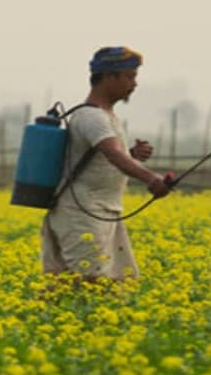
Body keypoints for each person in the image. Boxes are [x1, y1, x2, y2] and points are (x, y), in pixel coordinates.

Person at [40, 46, 172, 281]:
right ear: (110, 77)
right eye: (129, 76)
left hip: (103, 211)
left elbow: (107, 157)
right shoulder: (93, 117)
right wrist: (152, 179)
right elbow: (114, 155)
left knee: (109, 283)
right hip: (82, 213)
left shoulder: (105, 115)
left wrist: (132, 154)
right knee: (88, 282)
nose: (134, 84)